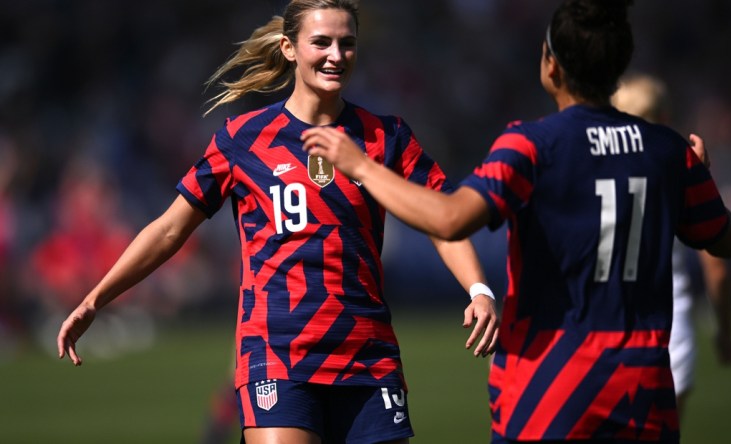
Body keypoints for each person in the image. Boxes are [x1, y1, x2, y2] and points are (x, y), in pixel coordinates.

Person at [57, 1, 500, 443]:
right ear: (289, 48)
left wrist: (478, 290)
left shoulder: (388, 135)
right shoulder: (241, 139)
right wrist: (96, 298)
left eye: (347, 44)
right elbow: (170, 229)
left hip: (368, 352)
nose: (336, 55)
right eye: (321, 42)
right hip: (277, 353)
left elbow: (442, 217)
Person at [302, 0, 731, 442]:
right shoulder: (668, 150)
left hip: (550, 388)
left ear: (552, 66)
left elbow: (450, 219)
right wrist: (695, 178)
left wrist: (362, 167)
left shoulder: (531, 145)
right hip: (642, 392)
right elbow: (723, 240)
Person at [611, 73, 731, 419]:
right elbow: (718, 263)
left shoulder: (595, 173)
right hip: (667, 333)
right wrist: (726, 333)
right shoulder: (679, 173)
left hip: (601, 331)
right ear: (666, 118)